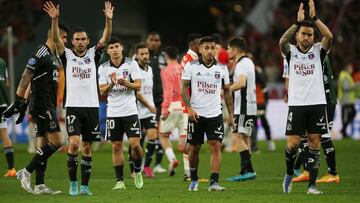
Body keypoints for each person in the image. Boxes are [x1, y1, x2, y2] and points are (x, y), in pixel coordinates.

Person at [1, 1, 68, 194]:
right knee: (57, 141)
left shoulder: (55, 57)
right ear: (54, 36)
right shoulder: (42, 53)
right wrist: (19, 101)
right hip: (42, 106)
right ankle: (26, 171)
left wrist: (24, 102)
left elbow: (33, 81)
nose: (65, 40)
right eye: (64, 37)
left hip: (46, 105)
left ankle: (39, 185)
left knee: (42, 144)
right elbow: (26, 76)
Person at [50, 1, 113, 195]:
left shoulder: (94, 54)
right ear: (72, 41)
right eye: (76, 39)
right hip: (74, 107)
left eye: (83, 39)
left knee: (87, 147)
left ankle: (85, 187)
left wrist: (108, 20)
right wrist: (55, 20)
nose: (80, 42)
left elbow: (106, 37)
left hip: (92, 107)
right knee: (74, 143)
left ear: (87, 41)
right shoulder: (66, 55)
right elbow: (55, 39)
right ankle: (73, 184)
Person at [279, 0, 333, 195]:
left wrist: (315, 18)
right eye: (303, 34)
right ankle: (288, 174)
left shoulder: (319, 51)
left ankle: (312, 185)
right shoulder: (291, 52)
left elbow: (329, 35)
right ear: (298, 35)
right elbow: (282, 42)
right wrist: (297, 22)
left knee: (314, 142)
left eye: (310, 35)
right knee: (293, 144)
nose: (307, 37)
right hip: (297, 104)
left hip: (317, 103)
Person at [181, 36, 234, 191]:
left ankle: (214, 182)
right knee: (194, 149)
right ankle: (194, 177)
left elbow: (227, 92)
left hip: (215, 114)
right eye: (207, 48)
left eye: (213, 48)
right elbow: (183, 88)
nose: (210, 51)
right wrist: (189, 108)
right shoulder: (191, 66)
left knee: (216, 146)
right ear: (200, 49)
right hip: (196, 115)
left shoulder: (222, 68)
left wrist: (231, 115)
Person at [284, 56, 340, 184]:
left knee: (323, 136)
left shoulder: (318, 55)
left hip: (324, 101)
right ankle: (307, 171)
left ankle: (333, 173)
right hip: (313, 101)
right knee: (304, 136)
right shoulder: (310, 56)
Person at [98, 37, 144, 190]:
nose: (115, 50)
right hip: (113, 112)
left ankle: (137, 171)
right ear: (108, 50)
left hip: (130, 111)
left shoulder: (132, 64)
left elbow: (138, 86)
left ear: (122, 47)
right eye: (111, 47)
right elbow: (102, 90)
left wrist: (126, 83)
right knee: (116, 146)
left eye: (117, 46)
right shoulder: (103, 67)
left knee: (135, 146)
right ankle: (119, 181)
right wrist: (112, 83)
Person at [225, 38, 257, 182]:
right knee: (245, 138)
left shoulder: (242, 64)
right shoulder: (248, 62)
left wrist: (226, 90)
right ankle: (245, 172)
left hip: (243, 107)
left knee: (236, 137)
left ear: (235, 50)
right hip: (250, 106)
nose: (227, 51)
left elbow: (242, 83)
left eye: (229, 48)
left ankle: (249, 170)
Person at [180, 33, 208, 181]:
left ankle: (190, 173)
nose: (202, 47)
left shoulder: (190, 58)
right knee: (190, 141)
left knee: (191, 141)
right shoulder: (190, 60)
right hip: (190, 106)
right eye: (199, 44)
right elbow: (186, 84)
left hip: (192, 105)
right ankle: (188, 173)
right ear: (192, 44)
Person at [158, 46, 185, 177]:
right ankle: (189, 172)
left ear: (166, 56)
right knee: (185, 139)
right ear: (178, 55)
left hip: (172, 105)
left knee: (163, 136)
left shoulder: (165, 71)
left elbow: (168, 90)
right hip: (184, 106)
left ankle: (172, 159)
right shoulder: (183, 68)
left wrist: (164, 108)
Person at [134, 42, 158, 178]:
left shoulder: (150, 69)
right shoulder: (134, 70)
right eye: (142, 54)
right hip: (136, 111)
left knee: (153, 136)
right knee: (137, 142)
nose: (144, 56)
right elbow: (136, 93)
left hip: (149, 112)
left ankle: (147, 166)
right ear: (136, 55)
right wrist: (149, 106)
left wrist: (151, 106)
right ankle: (134, 167)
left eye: (146, 53)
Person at [146, 32, 166, 173]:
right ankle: (140, 163)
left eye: (156, 40)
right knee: (142, 134)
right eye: (151, 40)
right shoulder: (140, 55)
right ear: (147, 41)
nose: (154, 42)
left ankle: (158, 164)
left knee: (161, 131)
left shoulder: (163, 57)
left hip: (161, 100)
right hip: (144, 101)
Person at [0, 57, 16, 177]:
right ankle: (11, 169)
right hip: (2, 103)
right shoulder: (2, 61)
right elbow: (7, 83)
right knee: (4, 134)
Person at [338, 63, 359, 138]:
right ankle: (344, 131)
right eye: (351, 68)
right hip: (345, 100)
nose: (352, 69)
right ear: (347, 68)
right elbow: (345, 87)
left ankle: (344, 130)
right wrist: (356, 85)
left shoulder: (346, 75)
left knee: (349, 115)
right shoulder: (344, 75)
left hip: (349, 100)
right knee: (347, 116)